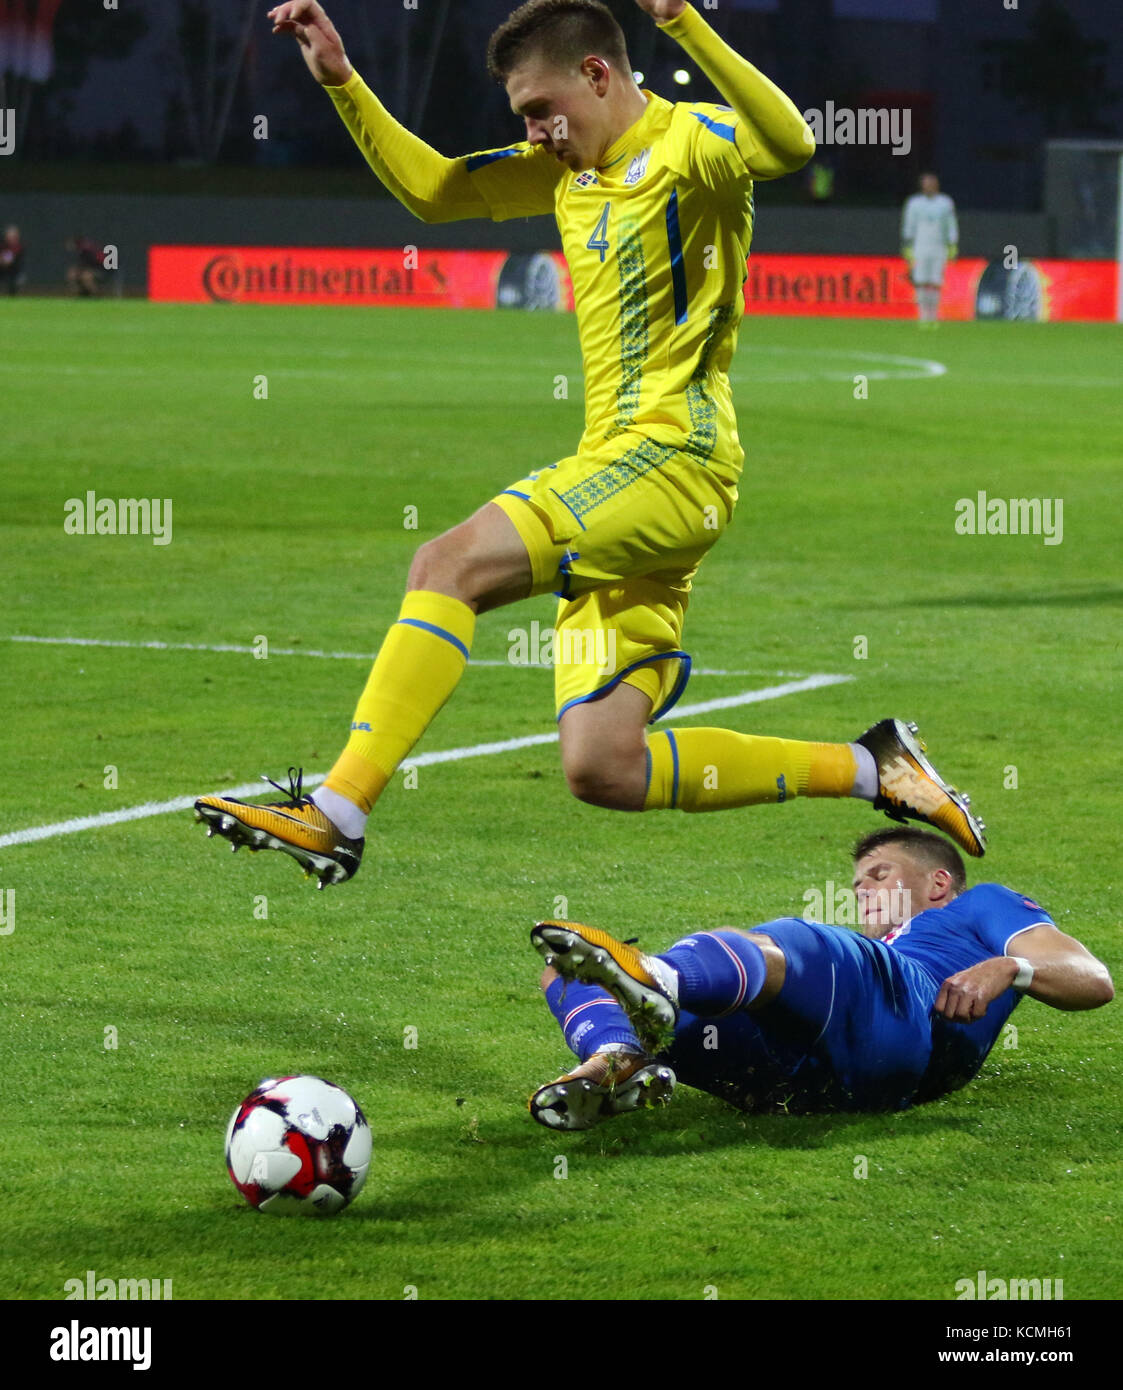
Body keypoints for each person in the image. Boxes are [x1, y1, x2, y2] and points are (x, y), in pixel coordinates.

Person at [194, 1, 985, 888]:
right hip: (621, 482)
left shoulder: (692, 145)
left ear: (598, 76)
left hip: (674, 460)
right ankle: (875, 767)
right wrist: (343, 82)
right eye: (523, 117)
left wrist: (684, 23)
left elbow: (790, 146)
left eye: (540, 110)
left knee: (445, 564)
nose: (532, 133)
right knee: (603, 767)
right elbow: (435, 191)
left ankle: (336, 810)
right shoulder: (563, 171)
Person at [528, 827, 1113, 1129]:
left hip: (908, 1029)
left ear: (937, 883)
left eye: (879, 875)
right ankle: (613, 1062)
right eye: (858, 883)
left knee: (794, 940)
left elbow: (1093, 980)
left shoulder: (978, 907)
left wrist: (1010, 966)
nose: (862, 891)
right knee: (563, 972)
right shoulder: (864, 957)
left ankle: (657, 981)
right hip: (796, 1087)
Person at [901, 172, 958, 327]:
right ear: (922, 186)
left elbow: (951, 224)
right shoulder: (914, 203)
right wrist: (907, 245)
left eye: (932, 183)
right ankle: (922, 316)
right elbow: (909, 225)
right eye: (926, 184)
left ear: (937, 185)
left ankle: (933, 316)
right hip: (920, 247)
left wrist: (952, 243)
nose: (929, 187)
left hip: (939, 247)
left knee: (935, 281)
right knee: (920, 281)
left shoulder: (945, 203)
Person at [0, 225, 25, 295]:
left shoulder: (18, 247)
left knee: (14, 285)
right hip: (2, 270)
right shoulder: (2, 245)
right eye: (9, 235)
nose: (11, 237)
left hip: (14, 272)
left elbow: (9, 261)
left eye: (13, 236)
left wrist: (3, 260)